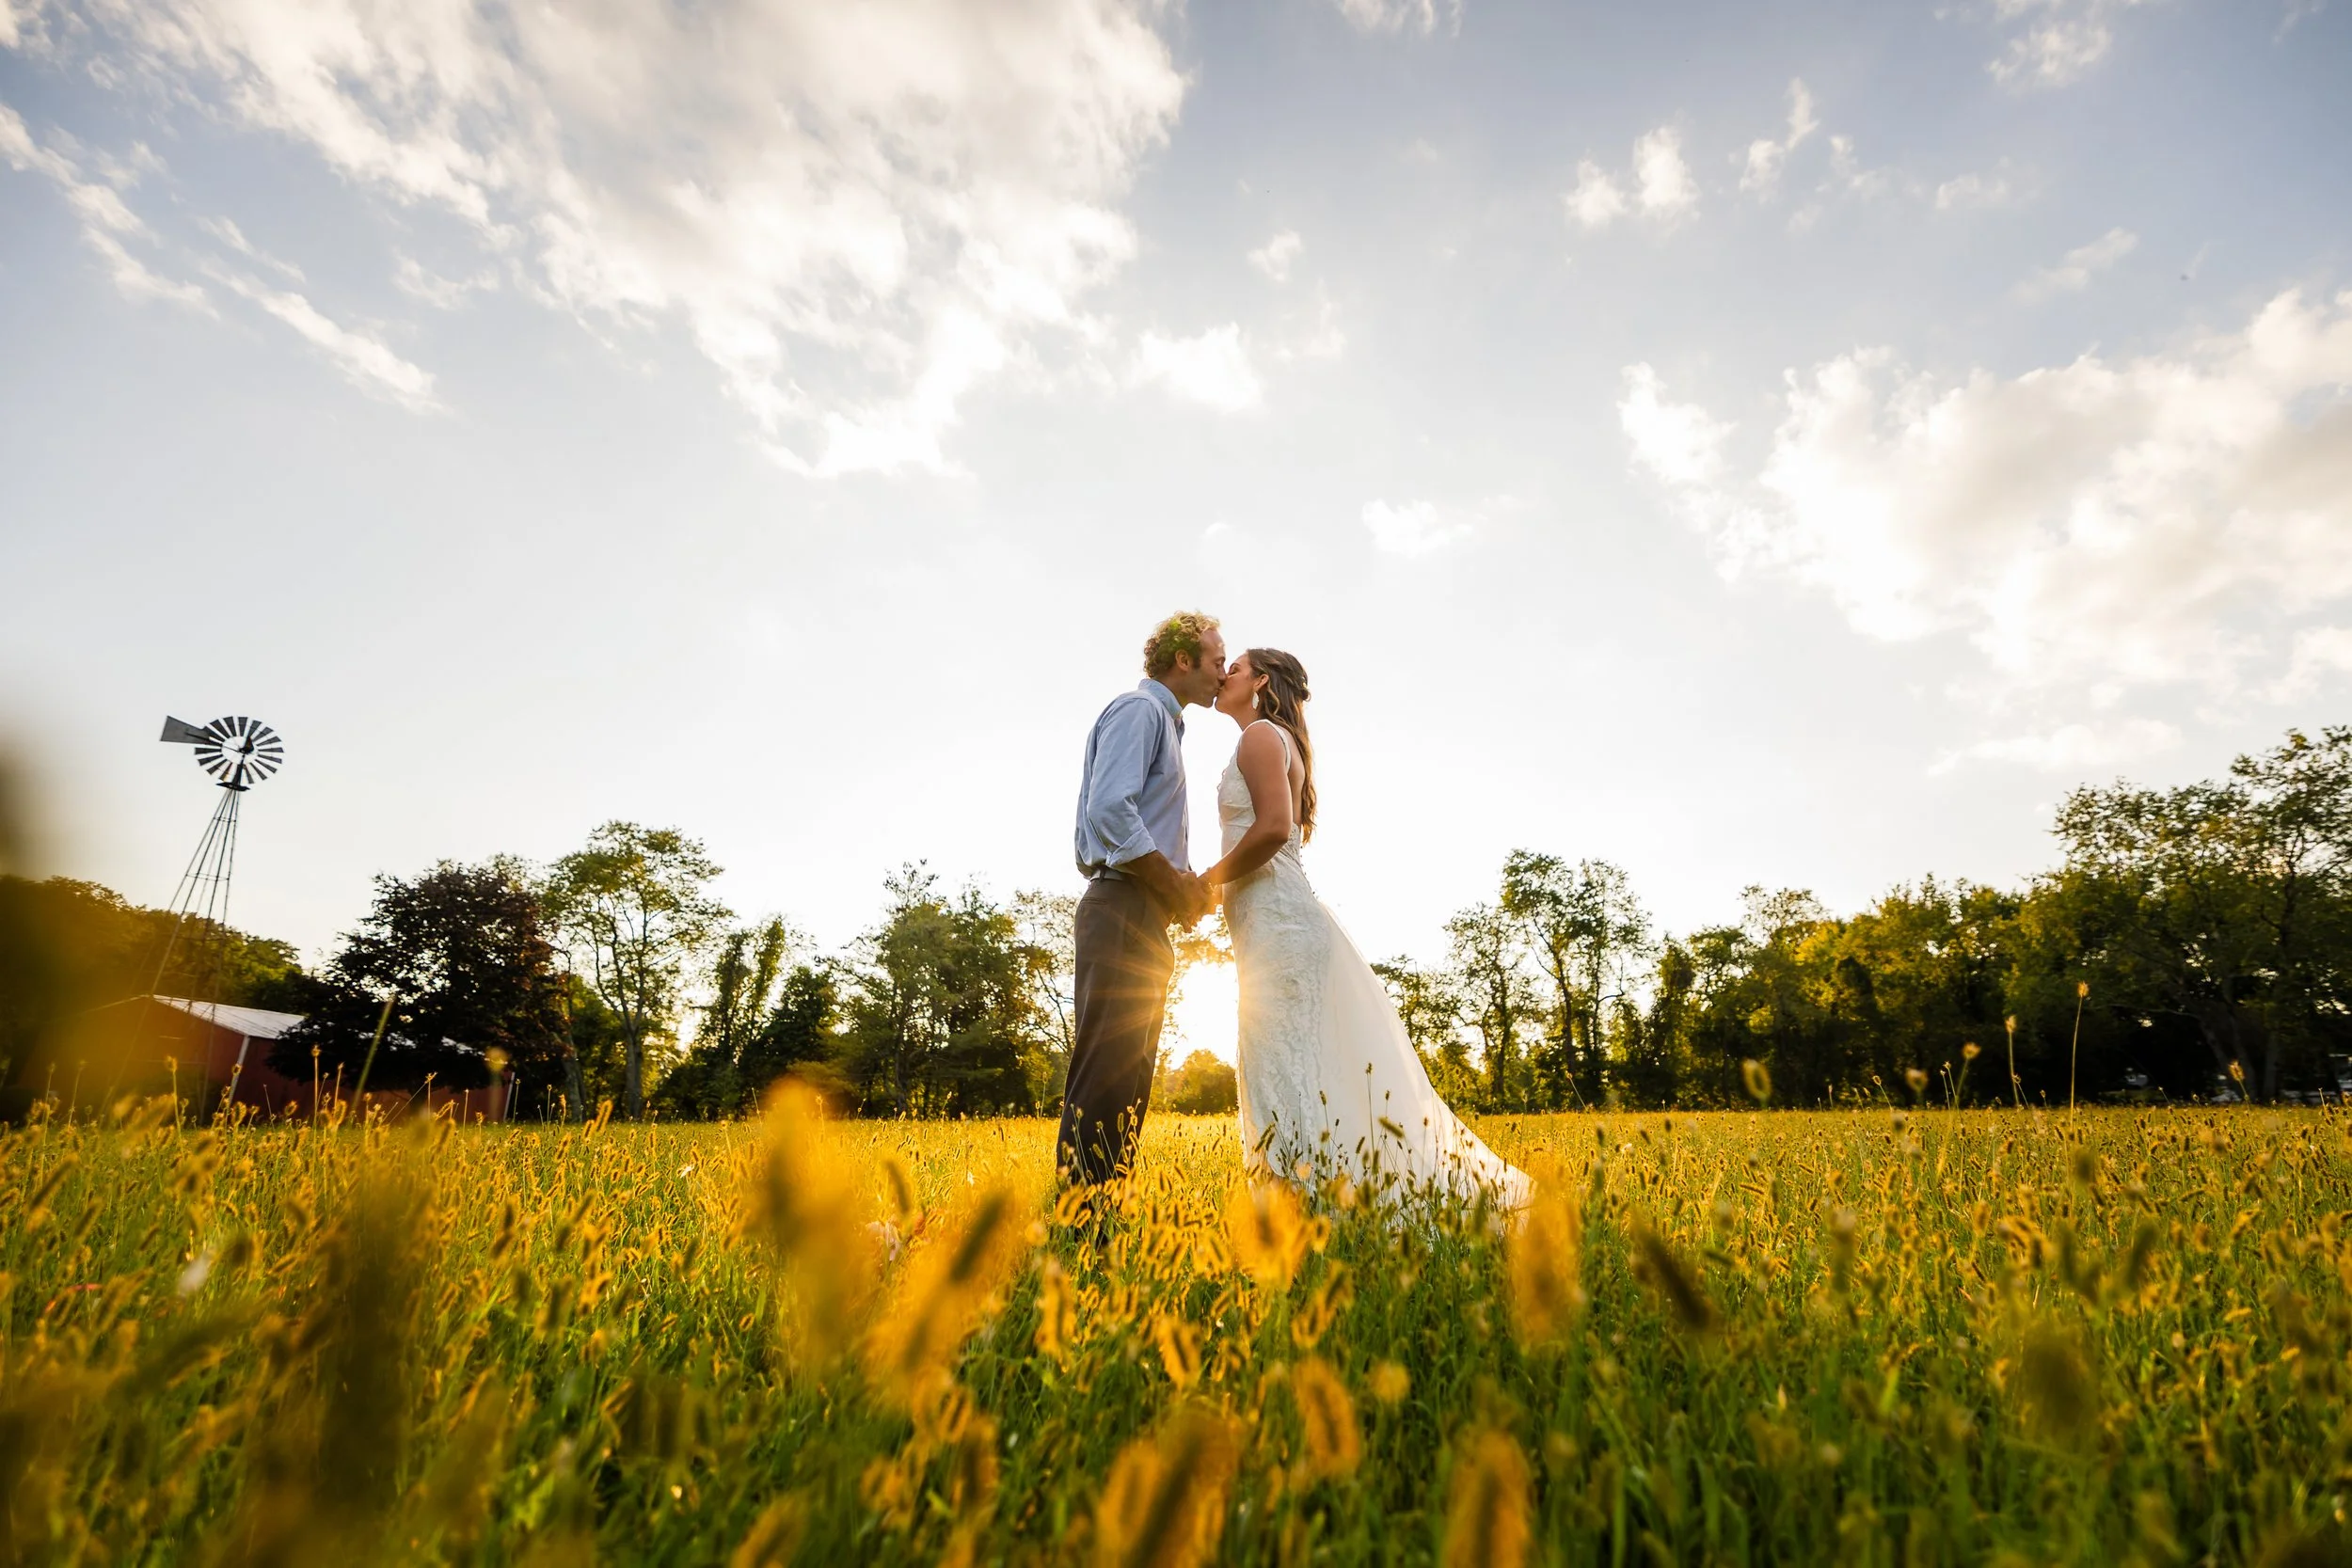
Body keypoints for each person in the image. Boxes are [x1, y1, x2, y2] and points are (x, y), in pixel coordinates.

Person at [1199, 647, 1529, 1209]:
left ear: (1259, 681)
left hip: (1279, 928)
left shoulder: (1259, 737)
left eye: (1234, 667)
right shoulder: (1278, 740)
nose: (1223, 674)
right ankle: (1313, 1201)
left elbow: (1276, 828)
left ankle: (1302, 1211)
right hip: (1274, 926)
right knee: (1294, 1066)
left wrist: (1206, 881)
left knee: (1281, 1069)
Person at [1057, 611, 1224, 1186]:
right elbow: (1110, 812)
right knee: (1107, 1071)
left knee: (1131, 1078)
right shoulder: (1141, 710)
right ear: (1184, 660)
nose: (1223, 672)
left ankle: (1105, 1213)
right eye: (1217, 659)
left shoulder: (1167, 724)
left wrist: (1181, 889)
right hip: (1121, 905)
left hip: (1142, 912)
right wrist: (1174, 883)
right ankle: (1080, 1225)